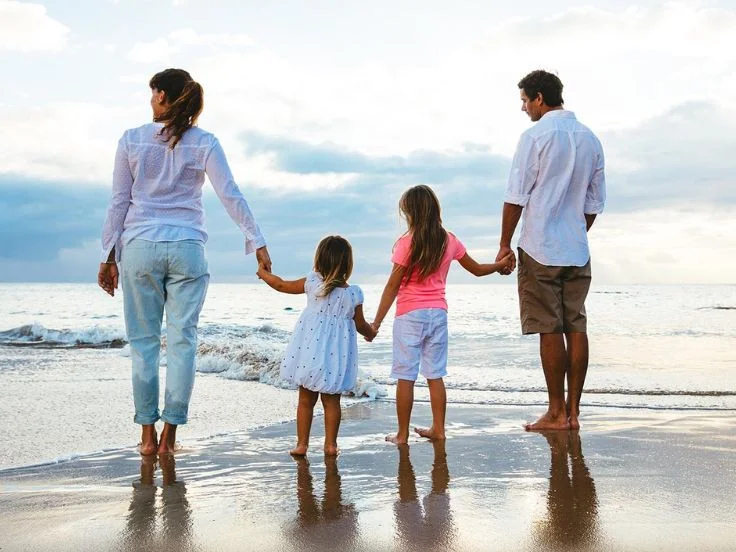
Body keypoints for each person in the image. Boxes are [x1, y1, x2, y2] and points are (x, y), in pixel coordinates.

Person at [98, 68, 271, 455]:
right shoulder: (205, 142)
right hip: (188, 248)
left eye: (152, 93)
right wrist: (255, 239)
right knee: (182, 342)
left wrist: (108, 255)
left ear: (161, 95)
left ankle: (146, 434)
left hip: (140, 246)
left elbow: (118, 202)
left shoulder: (131, 140)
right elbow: (230, 193)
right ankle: (169, 437)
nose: (150, 100)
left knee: (143, 344)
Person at [496, 69, 606, 431]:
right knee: (576, 326)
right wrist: (574, 229)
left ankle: (556, 412)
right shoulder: (590, 139)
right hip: (576, 247)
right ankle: (574, 413)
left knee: (549, 329)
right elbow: (594, 203)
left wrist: (503, 245)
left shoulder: (534, 136)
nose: (524, 108)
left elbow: (516, 196)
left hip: (540, 247)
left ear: (540, 98)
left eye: (526, 101)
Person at [372, 185, 514, 444]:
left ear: (411, 212)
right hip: (437, 313)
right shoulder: (449, 240)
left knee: (405, 376)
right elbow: (478, 270)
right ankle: (439, 429)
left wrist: (376, 322)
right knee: (435, 374)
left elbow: (392, 286)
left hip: (409, 315)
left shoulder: (406, 243)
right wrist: (501, 265)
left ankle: (402, 435)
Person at [257, 235, 376, 456]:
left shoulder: (313, 284)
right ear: (348, 265)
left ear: (319, 260)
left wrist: (264, 274)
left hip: (310, 354)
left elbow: (281, 284)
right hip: (335, 358)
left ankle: (302, 445)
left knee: (305, 400)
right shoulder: (353, 294)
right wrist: (372, 332)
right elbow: (361, 324)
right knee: (332, 402)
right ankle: (331, 445)